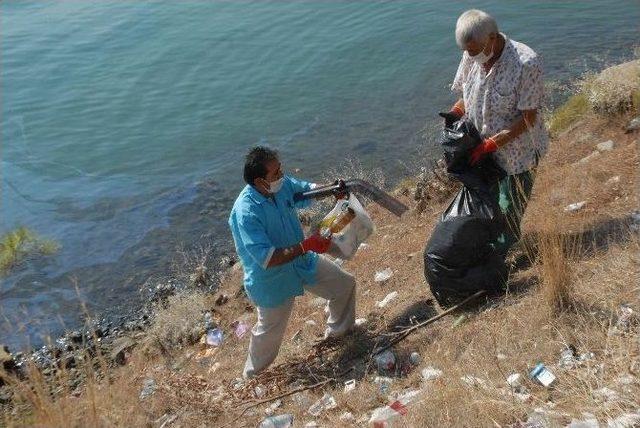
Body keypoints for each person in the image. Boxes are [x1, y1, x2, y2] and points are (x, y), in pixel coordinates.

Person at [228, 146, 356, 378]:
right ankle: (252, 377)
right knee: (268, 333)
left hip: (301, 260)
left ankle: (339, 335)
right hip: (272, 279)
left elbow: (305, 190)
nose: (281, 176)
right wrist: (307, 245)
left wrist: (330, 190)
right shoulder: (246, 212)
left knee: (344, 286)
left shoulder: (281, 185)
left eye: (281, 170)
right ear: (260, 181)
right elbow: (268, 258)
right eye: (275, 174)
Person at [442, 9, 549, 256]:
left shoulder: (526, 63)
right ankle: (485, 248)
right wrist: (455, 114)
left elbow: (528, 119)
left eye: (475, 51)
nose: (472, 57)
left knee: (509, 207)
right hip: (485, 154)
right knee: (488, 205)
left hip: (517, 155)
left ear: (492, 37)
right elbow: (467, 96)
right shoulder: (472, 54)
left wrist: (490, 144)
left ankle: (498, 258)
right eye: (468, 52)